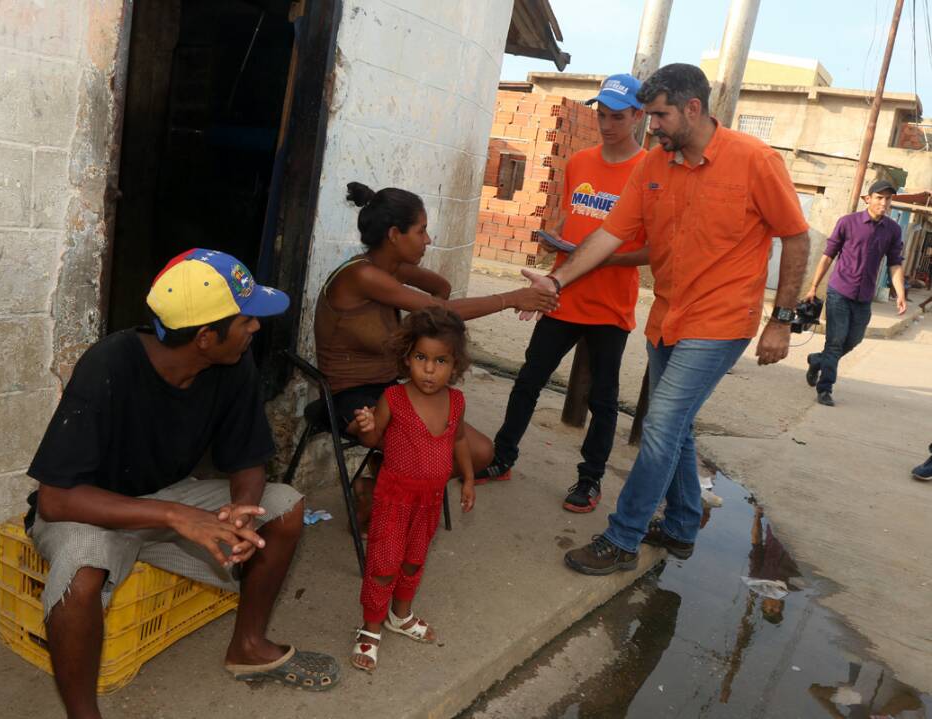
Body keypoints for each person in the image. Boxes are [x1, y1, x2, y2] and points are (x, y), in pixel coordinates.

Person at [523, 64, 811, 575]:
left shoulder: (754, 160)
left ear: (693, 109)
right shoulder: (653, 166)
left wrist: (782, 320)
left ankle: (623, 537)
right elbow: (610, 236)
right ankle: (680, 527)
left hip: (721, 320)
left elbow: (795, 236)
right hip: (667, 317)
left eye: (658, 115)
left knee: (658, 424)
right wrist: (559, 280)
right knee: (674, 427)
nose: (650, 126)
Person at [25, 249, 338, 717]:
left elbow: (248, 460)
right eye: (246, 319)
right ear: (207, 337)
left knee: (284, 506)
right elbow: (54, 499)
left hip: (167, 499)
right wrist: (177, 516)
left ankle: (248, 646)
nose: (255, 327)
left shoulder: (233, 365)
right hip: (91, 508)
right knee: (81, 577)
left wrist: (241, 510)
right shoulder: (108, 364)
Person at [315, 183, 557, 523]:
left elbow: (440, 291)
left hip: (391, 389)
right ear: (395, 234)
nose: (427, 240)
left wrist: (423, 315)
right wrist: (512, 298)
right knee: (456, 453)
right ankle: (380, 492)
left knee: (482, 453)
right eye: (422, 231)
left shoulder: (388, 268)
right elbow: (442, 307)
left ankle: (380, 483)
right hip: (350, 398)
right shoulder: (363, 275)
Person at [476, 73, 649, 514]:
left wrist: (603, 258)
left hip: (610, 307)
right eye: (601, 114)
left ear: (638, 116)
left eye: (617, 117)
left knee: (603, 400)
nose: (606, 124)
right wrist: (557, 242)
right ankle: (502, 458)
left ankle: (589, 481)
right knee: (528, 381)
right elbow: (574, 219)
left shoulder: (648, 173)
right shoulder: (580, 161)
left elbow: (651, 250)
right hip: (561, 295)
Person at [348, 308, 475, 671]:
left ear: (456, 365)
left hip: (431, 500)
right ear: (407, 358)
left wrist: (467, 478)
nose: (430, 370)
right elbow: (373, 439)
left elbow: (460, 441)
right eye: (421, 358)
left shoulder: (457, 402)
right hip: (393, 498)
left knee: (414, 559)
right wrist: (365, 424)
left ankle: (399, 616)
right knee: (384, 564)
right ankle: (371, 628)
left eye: (441, 361)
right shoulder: (394, 398)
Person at [803, 179, 906, 406]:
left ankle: (817, 360)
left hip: (864, 296)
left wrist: (900, 293)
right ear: (867, 199)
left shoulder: (893, 230)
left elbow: (895, 264)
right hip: (839, 290)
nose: (884, 202)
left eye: (888, 199)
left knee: (854, 340)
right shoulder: (847, 223)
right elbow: (828, 255)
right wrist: (813, 287)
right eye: (879, 197)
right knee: (836, 341)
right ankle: (825, 388)